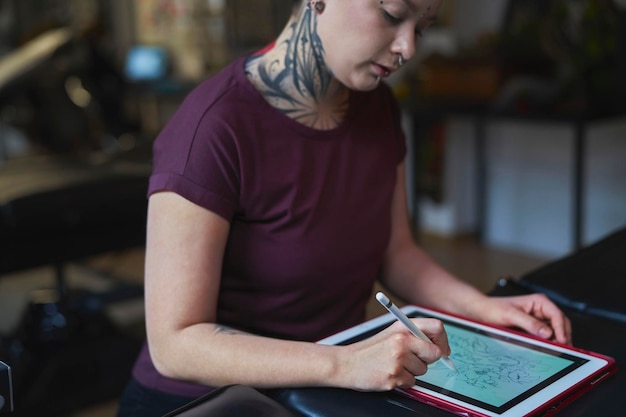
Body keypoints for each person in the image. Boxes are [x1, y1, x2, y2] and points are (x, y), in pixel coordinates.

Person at [117, 0, 572, 415]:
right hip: (209, 401)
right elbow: (175, 345)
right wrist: (343, 363)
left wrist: (484, 308)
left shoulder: (378, 107)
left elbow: (398, 255)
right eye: (394, 15)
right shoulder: (211, 129)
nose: (408, 47)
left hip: (318, 390)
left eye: (423, 28)